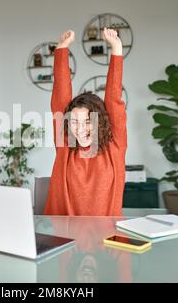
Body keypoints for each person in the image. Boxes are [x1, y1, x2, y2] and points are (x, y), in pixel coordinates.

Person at [43, 28, 127, 216]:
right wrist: (62, 49)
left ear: (101, 123)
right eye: (74, 121)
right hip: (64, 239)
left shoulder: (114, 147)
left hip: (107, 239)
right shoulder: (66, 145)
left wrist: (116, 48)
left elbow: (114, 99)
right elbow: (60, 99)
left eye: (88, 121)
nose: (80, 129)